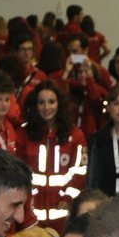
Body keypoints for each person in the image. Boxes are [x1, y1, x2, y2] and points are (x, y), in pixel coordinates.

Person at [18, 81, 88, 226]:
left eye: (51, 102)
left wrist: (68, 198)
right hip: (30, 214)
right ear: (35, 105)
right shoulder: (24, 133)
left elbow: (80, 172)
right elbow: (18, 171)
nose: (46, 107)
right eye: (41, 102)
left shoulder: (75, 135)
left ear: (59, 104)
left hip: (62, 214)